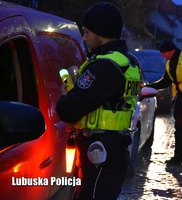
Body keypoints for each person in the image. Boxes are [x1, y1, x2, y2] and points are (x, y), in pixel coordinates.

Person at [55, 2, 141, 199]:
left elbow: (67, 110)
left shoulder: (104, 67)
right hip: (114, 148)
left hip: (100, 155)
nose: (84, 37)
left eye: (86, 32)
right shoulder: (128, 63)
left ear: (100, 33)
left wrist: (64, 97)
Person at [148, 39, 182, 169]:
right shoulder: (170, 62)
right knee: (179, 127)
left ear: (170, 51)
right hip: (181, 99)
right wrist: (151, 86)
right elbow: (166, 80)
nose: (163, 56)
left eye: (164, 53)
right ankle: (177, 157)